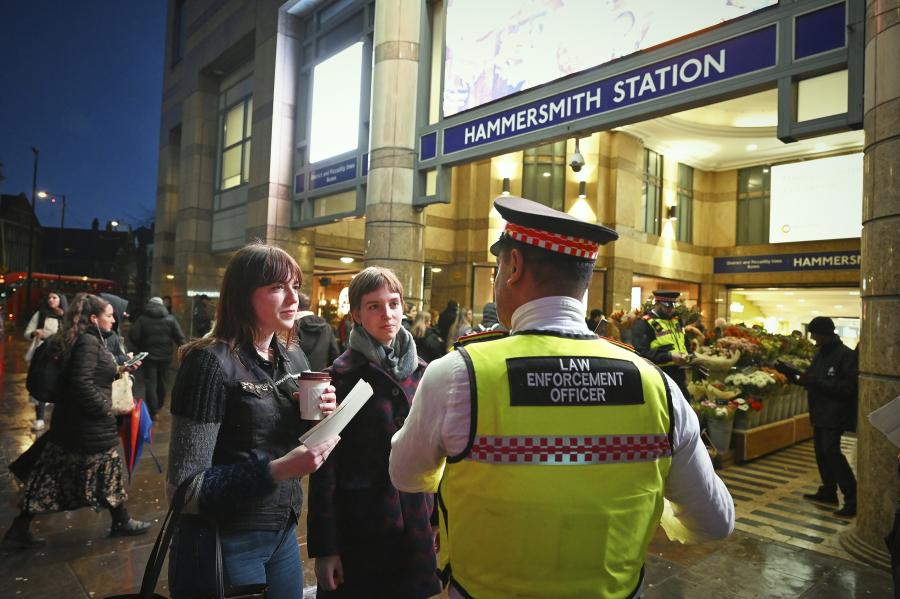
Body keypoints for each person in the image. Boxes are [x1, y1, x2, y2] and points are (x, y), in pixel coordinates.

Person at [389, 196, 734, 599]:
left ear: (513, 267)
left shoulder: (458, 375)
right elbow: (714, 523)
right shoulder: (658, 386)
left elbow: (407, 476)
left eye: (498, 269)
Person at [166, 242, 340, 598]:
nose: (293, 298)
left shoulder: (292, 355)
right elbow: (184, 490)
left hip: (284, 530)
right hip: (230, 539)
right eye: (277, 287)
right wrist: (278, 469)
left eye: (295, 286)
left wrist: (320, 416)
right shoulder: (209, 363)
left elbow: (289, 436)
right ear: (243, 296)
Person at [309, 266, 441, 599]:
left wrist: (438, 517)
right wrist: (325, 547)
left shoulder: (426, 374)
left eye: (394, 303)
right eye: (374, 306)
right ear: (356, 313)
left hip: (417, 524)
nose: (388, 314)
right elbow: (324, 468)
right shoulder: (338, 378)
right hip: (361, 529)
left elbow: (437, 453)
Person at [2, 293, 151, 549]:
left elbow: (88, 374)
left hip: (73, 424)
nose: (113, 319)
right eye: (108, 315)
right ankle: (120, 521)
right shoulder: (88, 342)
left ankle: (20, 528)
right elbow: (81, 383)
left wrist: (119, 367)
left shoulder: (86, 339)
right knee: (105, 469)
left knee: (57, 473)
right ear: (94, 318)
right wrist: (104, 407)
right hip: (87, 425)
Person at [798, 316, 858, 517]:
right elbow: (812, 379)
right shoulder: (821, 354)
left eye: (815, 334)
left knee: (832, 453)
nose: (813, 338)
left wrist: (817, 382)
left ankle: (852, 499)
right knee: (821, 453)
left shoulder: (845, 356)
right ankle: (828, 491)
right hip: (819, 411)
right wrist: (793, 375)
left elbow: (849, 388)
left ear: (825, 334)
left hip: (835, 413)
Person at [127, 296, 187, 419]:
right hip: (165, 357)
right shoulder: (170, 319)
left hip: (148, 358)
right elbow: (180, 338)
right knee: (163, 383)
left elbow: (134, 337)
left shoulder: (142, 320)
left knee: (150, 383)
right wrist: (186, 353)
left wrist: (137, 349)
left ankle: (154, 411)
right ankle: (159, 405)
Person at [631, 290, 691, 398]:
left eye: (672, 306)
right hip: (658, 374)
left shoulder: (676, 321)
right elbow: (641, 352)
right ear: (657, 304)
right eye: (667, 306)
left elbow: (685, 343)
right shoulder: (644, 324)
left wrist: (689, 355)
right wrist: (669, 356)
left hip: (679, 374)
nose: (670, 310)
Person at [24, 291, 68, 431]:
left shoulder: (68, 316)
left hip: (61, 355)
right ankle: (40, 418)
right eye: (49, 297)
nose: (51, 300)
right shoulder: (40, 314)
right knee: (41, 384)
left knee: (61, 386)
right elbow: (27, 333)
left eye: (54, 297)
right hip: (43, 355)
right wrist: (35, 333)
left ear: (61, 299)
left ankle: (60, 419)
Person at [295, 292, 340, 371]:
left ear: (295, 306)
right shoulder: (327, 327)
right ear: (310, 306)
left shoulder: (290, 327)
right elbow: (335, 354)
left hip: (296, 378)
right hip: (320, 378)